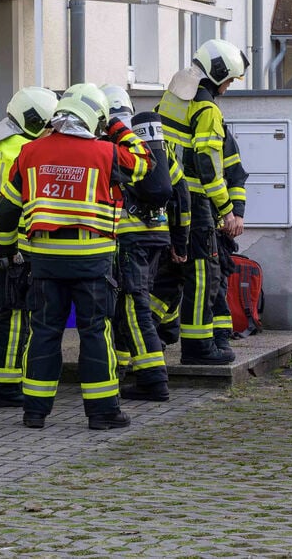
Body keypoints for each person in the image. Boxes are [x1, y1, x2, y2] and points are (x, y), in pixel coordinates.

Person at [0, 83, 151, 430]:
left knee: (44, 332)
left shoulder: (30, 153)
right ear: (94, 117)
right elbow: (144, 164)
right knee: (95, 332)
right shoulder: (106, 153)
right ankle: (103, 413)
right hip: (93, 262)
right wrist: (118, 127)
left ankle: (34, 412)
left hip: (45, 262)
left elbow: (6, 211)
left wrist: (4, 252)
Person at [155, 39, 250, 365]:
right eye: (228, 80)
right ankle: (198, 348)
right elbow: (208, 166)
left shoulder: (170, 100)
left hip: (165, 198)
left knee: (167, 272)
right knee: (201, 274)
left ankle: (147, 334)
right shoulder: (207, 110)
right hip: (194, 204)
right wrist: (226, 210)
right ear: (217, 75)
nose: (227, 87)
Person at [0, 86, 58, 407]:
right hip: (11, 248)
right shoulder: (24, 151)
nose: (50, 133)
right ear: (34, 121)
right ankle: (4, 389)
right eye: (47, 125)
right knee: (14, 317)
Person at [102, 84, 190, 403]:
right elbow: (180, 193)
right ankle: (124, 369)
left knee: (132, 304)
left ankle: (153, 379)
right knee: (134, 304)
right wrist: (180, 243)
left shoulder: (111, 144)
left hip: (129, 239)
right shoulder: (155, 144)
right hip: (158, 237)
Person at [210, 127, 248, 355]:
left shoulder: (220, 132)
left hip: (215, 223)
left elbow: (236, 175)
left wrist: (236, 214)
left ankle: (221, 336)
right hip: (188, 222)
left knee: (218, 282)